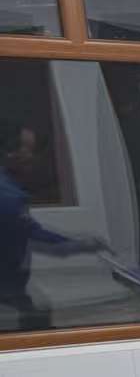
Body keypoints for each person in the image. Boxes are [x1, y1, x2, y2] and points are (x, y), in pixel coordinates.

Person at [0, 118, 104, 331]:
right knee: (38, 318)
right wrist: (81, 244)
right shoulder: (8, 196)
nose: (32, 156)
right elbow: (33, 232)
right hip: (7, 283)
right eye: (27, 148)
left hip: (12, 283)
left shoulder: (9, 189)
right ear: (8, 151)